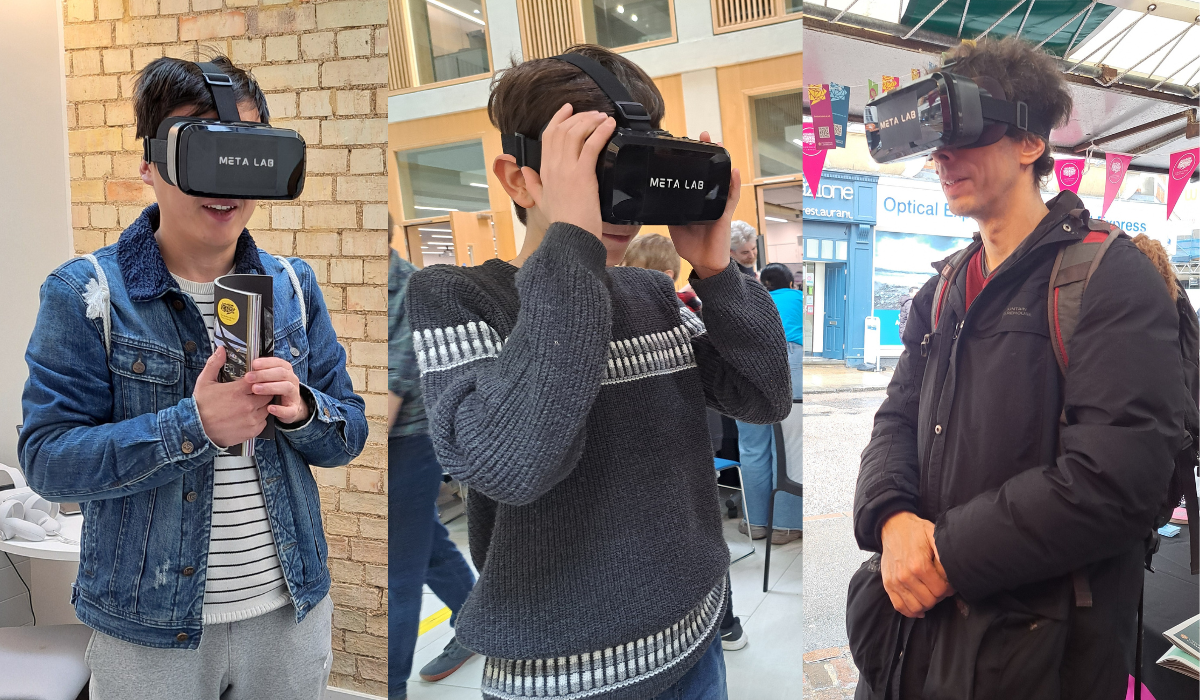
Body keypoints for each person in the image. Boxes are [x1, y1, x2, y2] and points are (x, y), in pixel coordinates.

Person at [408, 44, 791, 699]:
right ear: (518, 177)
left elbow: (765, 396)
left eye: (629, 169)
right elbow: (513, 465)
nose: (620, 203)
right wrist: (574, 247)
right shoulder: (454, 296)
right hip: (562, 678)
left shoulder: (651, 293)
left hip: (695, 641)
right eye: (592, 169)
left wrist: (718, 269)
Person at [848, 37, 1190, 700]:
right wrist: (891, 519)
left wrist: (944, 553)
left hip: (1039, 660)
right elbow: (894, 419)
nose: (942, 156)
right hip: (910, 647)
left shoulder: (1111, 280)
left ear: (1031, 143)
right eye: (932, 138)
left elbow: (1117, 483)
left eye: (963, 133)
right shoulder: (942, 288)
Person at [19, 56, 368, 699]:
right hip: (148, 629)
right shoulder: (86, 294)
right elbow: (47, 461)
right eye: (201, 148)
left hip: (289, 613)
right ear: (149, 164)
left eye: (245, 150)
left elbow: (348, 435)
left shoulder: (291, 287)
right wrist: (192, 426)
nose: (225, 180)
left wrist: (302, 409)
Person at [623, 233, 751, 652]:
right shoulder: (674, 309)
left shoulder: (684, 312)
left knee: (700, 529)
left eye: (638, 274)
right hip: (678, 436)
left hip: (689, 435)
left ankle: (726, 619)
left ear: (664, 276)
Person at [388, 221, 477, 700]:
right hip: (393, 443)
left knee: (397, 572)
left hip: (405, 444)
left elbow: (390, 397)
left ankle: (390, 686)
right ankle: (475, 621)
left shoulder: (409, 290)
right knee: (428, 545)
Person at [623, 232, 701, 312]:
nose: (626, 280)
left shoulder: (687, 305)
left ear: (665, 277)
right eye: (623, 273)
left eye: (636, 275)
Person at [759, 263, 804, 401]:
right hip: (793, 350)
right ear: (791, 283)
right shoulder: (799, 296)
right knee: (796, 402)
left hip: (763, 353)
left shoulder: (758, 299)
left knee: (775, 404)